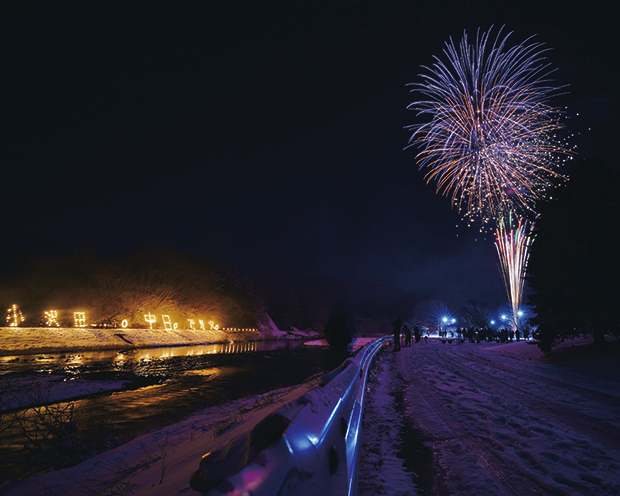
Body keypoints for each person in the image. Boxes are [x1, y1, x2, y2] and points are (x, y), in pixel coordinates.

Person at [324, 300, 355, 369]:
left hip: (335, 347)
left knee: (334, 364)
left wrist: (332, 342)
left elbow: (327, 332)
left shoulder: (332, 321)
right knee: (341, 364)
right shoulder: (344, 322)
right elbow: (349, 334)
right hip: (341, 347)